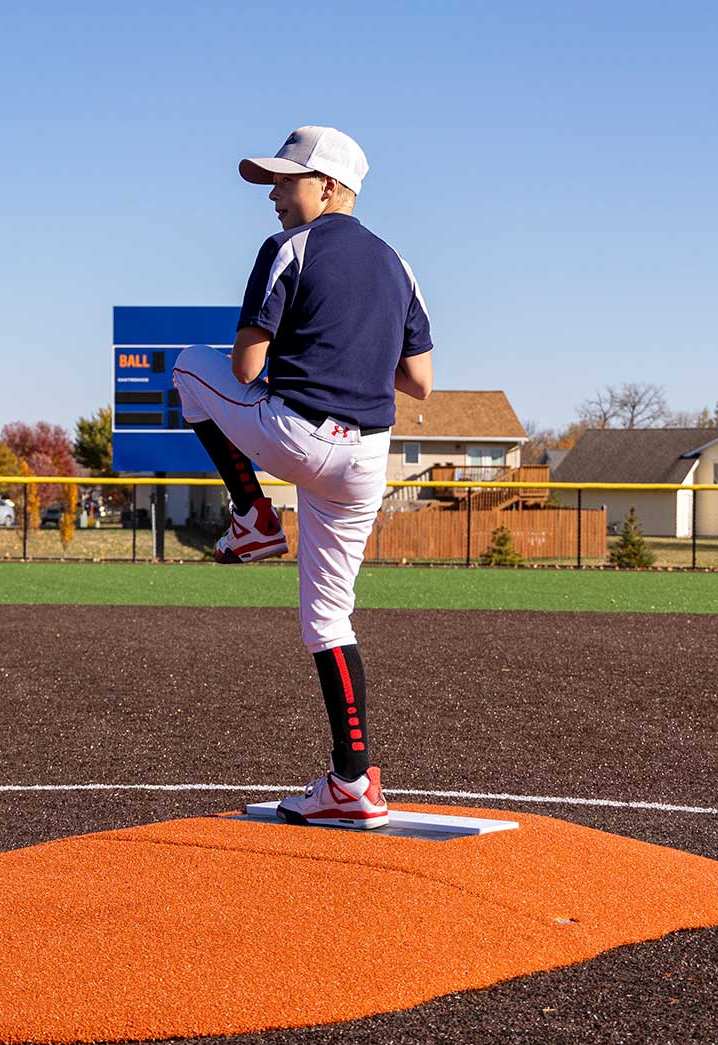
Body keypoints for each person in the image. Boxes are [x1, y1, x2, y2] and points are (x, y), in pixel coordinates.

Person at [171, 125, 433, 830]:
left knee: (186, 369)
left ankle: (252, 516)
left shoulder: (290, 248)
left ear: (332, 186)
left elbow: (246, 370)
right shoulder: (398, 263)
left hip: (299, 437)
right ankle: (353, 782)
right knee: (327, 618)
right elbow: (420, 382)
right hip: (367, 460)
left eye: (288, 181)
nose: (276, 196)